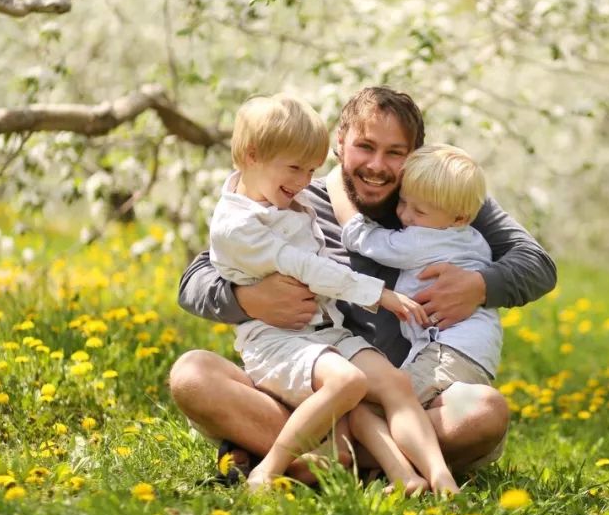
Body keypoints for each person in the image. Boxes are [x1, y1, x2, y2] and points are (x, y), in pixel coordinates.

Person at [171, 86, 557, 482]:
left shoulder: (444, 195)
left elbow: (538, 264)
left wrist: (480, 285)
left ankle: (312, 460)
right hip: (306, 385)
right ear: (340, 143)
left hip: (405, 400)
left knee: (484, 411)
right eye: (365, 146)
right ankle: (362, 464)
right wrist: (246, 299)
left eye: (395, 152)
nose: (377, 165)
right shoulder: (296, 197)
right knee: (192, 374)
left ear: (415, 156)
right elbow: (196, 279)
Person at [207, 93, 458, 493]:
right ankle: (268, 469)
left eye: (311, 170)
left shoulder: (283, 191)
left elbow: (533, 261)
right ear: (252, 155)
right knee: (348, 384)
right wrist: (380, 295)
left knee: (394, 384)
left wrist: (480, 283)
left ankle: (428, 478)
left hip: (327, 333)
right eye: (295, 168)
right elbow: (306, 266)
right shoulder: (238, 225)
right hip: (279, 341)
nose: (305, 182)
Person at [327, 143, 504, 490]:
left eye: (418, 211)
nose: (405, 216)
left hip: (445, 352)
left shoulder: (424, 241)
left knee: (379, 405)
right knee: (410, 412)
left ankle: (378, 464)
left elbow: (362, 237)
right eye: (403, 202)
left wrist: (336, 184)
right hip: (469, 354)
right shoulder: (470, 239)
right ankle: (408, 467)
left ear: (459, 217)